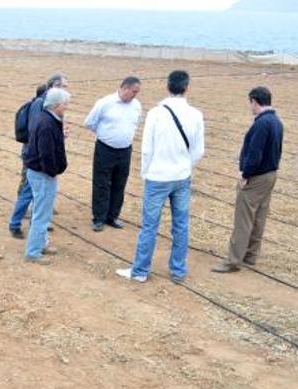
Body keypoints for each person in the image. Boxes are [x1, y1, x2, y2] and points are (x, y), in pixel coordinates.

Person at [117, 70, 204, 283]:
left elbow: (147, 148)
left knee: (149, 226)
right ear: (186, 87)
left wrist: (146, 172)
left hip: (157, 176)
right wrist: (185, 165)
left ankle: (140, 271)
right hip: (182, 176)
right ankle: (178, 270)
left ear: (168, 86)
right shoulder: (196, 114)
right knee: (181, 225)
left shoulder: (156, 113)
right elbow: (198, 150)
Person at [212, 86, 283, 273]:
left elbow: (255, 153)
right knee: (259, 216)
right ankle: (251, 256)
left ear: (254, 101)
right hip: (270, 175)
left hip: (256, 176)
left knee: (243, 219)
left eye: (250, 103)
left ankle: (233, 260)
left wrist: (245, 174)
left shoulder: (261, 124)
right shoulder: (276, 121)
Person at [8, 73, 69, 239]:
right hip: (35, 156)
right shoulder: (41, 104)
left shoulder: (46, 103)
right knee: (28, 190)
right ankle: (17, 224)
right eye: (63, 87)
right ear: (54, 87)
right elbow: (39, 131)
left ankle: (37, 222)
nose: (66, 90)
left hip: (36, 154)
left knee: (32, 190)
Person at [84, 76, 142, 232]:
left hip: (125, 150)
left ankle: (112, 217)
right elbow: (89, 122)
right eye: (133, 92)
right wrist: (104, 134)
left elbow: (136, 123)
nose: (135, 95)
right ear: (124, 88)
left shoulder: (136, 105)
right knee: (101, 184)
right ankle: (99, 218)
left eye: (137, 92)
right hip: (105, 149)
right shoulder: (105, 103)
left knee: (119, 184)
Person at [23, 87, 71, 264]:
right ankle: (33, 252)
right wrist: (52, 173)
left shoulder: (48, 119)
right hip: (43, 175)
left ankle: (41, 243)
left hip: (40, 173)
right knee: (42, 214)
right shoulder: (47, 124)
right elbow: (46, 154)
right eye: (65, 104)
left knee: (42, 211)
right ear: (57, 105)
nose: (67, 107)